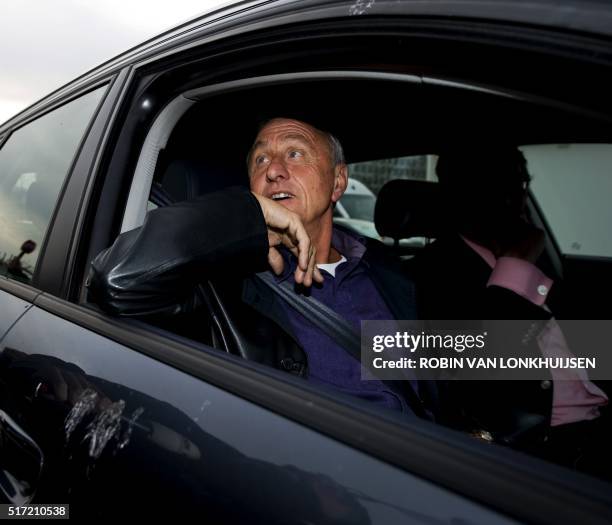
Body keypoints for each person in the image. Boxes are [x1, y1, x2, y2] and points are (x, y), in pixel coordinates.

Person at [88, 118, 426, 418]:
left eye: (295, 154)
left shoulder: (387, 269)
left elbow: (457, 362)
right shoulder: (223, 287)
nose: (273, 170)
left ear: (338, 182)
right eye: (261, 159)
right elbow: (117, 282)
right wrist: (246, 216)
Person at [409, 146, 610, 476]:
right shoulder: (427, 276)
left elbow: (588, 343)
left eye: (521, 184)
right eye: (501, 186)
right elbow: (479, 371)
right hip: (533, 445)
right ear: (461, 194)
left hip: (593, 426)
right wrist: (514, 268)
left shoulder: (534, 250)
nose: (515, 200)